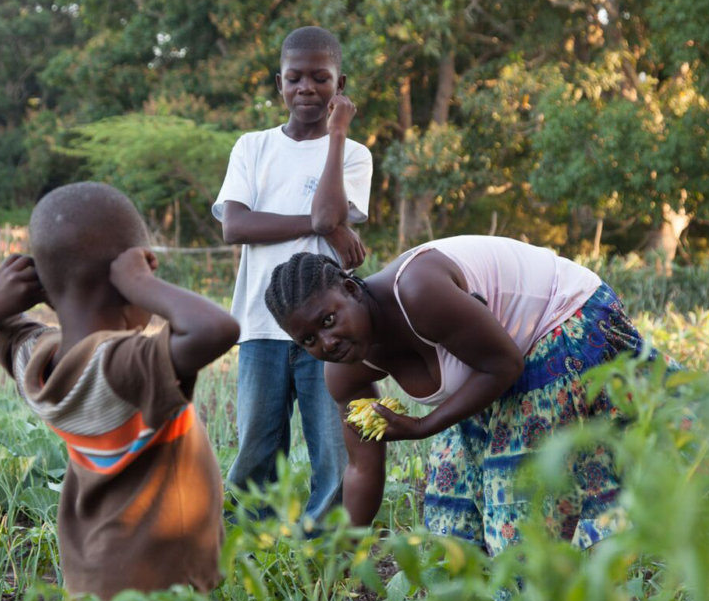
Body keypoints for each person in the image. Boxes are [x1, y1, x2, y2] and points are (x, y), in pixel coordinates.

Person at [264, 236, 674, 555]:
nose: (326, 342)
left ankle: (553, 589)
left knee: (515, 498)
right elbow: (362, 469)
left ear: (352, 289)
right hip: (496, 358)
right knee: (449, 511)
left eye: (329, 320)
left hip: (564, 315)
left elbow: (504, 365)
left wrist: (424, 426)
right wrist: (346, 554)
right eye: (308, 339)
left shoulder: (418, 291)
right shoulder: (343, 372)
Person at [0, 181, 239, 600]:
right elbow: (217, 328)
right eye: (145, 273)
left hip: (93, 565)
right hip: (156, 578)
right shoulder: (124, 366)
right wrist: (144, 285)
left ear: (43, 290)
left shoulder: (36, 360)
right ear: (126, 284)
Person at [211, 25, 372, 524]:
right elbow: (236, 225)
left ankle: (325, 558)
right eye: (294, 78)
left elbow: (331, 212)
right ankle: (246, 549)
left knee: (332, 450)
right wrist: (325, 226)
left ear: (339, 84)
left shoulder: (355, 154)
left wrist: (337, 134)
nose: (307, 88)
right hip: (260, 325)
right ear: (278, 84)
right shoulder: (252, 147)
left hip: (328, 329)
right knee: (257, 450)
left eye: (320, 78)